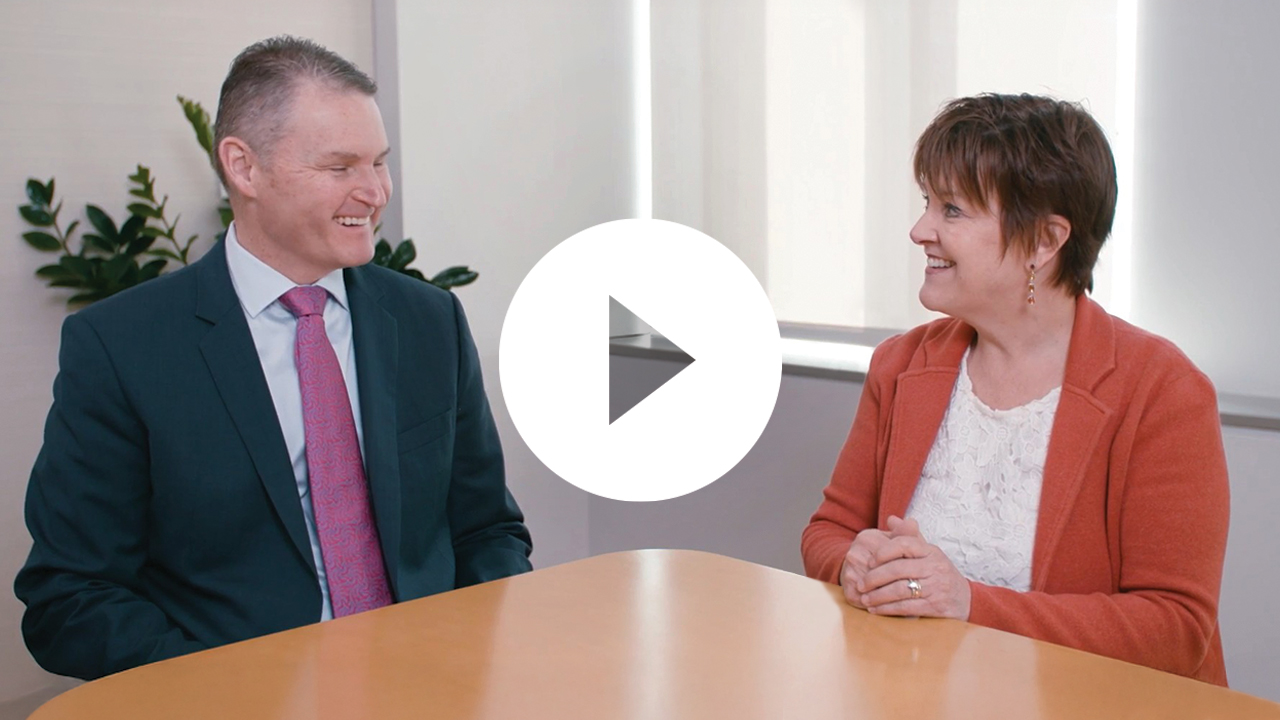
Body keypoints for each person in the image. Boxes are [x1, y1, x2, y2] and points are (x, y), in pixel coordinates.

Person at [15, 36, 532, 681]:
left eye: (379, 163)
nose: (373, 192)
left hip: (428, 681)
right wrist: (242, 690)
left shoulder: (429, 321)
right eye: (340, 167)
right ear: (244, 167)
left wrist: (470, 652)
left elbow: (486, 534)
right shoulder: (121, 346)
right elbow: (70, 599)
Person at [801, 93, 1230, 685]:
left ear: (1045, 241)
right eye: (929, 202)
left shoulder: (1163, 391)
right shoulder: (900, 365)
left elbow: (1175, 628)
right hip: (912, 694)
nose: (920, 229)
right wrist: (857, 563)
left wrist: (969, 603)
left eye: (953, 210)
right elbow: (827, 532)